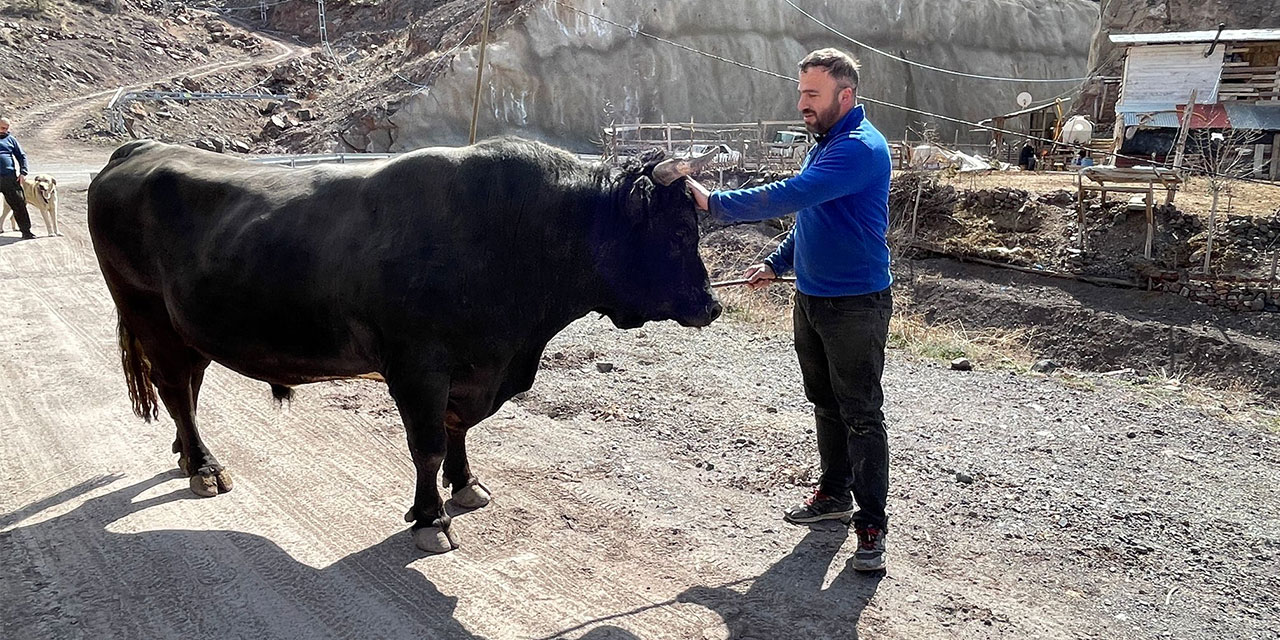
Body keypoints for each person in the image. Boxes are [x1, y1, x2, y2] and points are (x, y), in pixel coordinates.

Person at [687, 48, 892, 572]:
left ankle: (871, 527)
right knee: (824, 401)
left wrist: (716, 204)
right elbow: (812, 215)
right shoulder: (825, 144)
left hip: (855, 304)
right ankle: (834, 495)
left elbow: (795, 193)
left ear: (845, 96)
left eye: (812, 94)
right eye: (800, 92)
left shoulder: (859, 148)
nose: (801, 102)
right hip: (812, 297)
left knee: (861, 413)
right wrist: (779, 264)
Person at [0, 117, 36, 240]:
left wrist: (23, 172)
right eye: (2, 128)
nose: (4, 130)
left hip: (9, 177)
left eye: (6, 128)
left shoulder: (10, 139)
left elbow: (21, 156)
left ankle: (26, 231)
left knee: (19, 204)